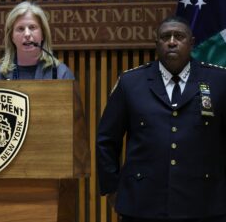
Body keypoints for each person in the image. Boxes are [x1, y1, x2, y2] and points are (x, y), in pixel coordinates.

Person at [96, 15, 226, 222]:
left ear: (191, 43)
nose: (172, 41)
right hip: (141, 204)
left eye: (179, 36)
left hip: (205, 204)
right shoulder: (131, 83)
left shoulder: (219, 81)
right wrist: (112, 188)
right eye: (166, 37)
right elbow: (106, 140)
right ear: (157, 44)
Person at [0, 1, 74, 80]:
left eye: (32, 27)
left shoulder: (61, 74)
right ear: (12, 37)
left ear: (43, 34)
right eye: (20, 28)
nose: (27, 34)